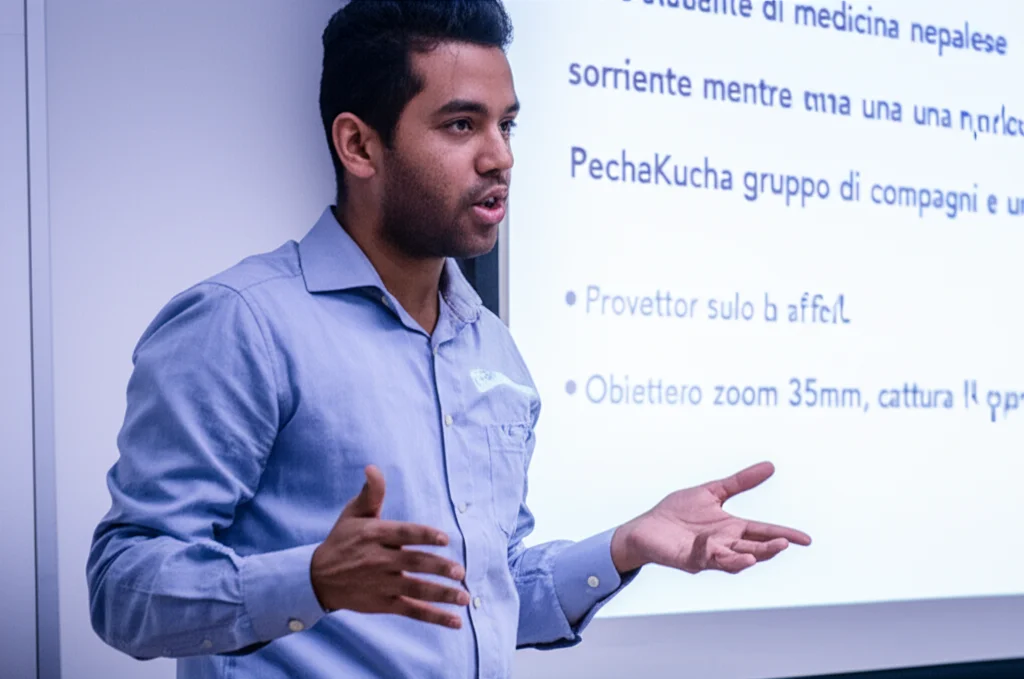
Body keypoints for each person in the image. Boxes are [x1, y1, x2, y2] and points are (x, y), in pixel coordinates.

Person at [86, 1, 811, 677]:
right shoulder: (242, 323)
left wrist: (624, 545)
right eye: (462, 125)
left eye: (507, 125)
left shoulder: (492, 349)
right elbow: (123, 587)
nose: (500, 157)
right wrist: (310, 581)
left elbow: (483, 597)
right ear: (359, 145)